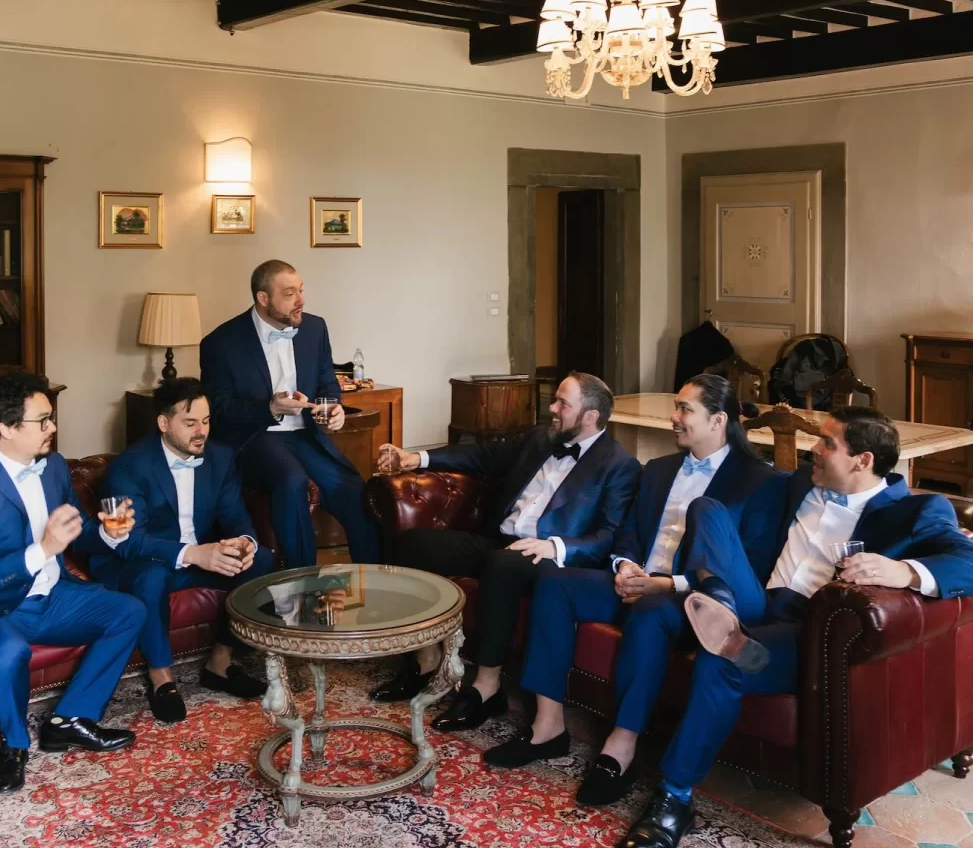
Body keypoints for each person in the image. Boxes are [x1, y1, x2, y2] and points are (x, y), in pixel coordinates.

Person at [615, 406, 973, 848]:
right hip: (752, 601)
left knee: (723, 660)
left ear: (862, 461)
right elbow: (735, 517)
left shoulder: (916, 509)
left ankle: (675, 798)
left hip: (806, 628)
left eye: (827, 443)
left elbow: (967, 561)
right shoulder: (801, 482)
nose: (813, 450)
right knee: (704, 510)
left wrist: (903, 571)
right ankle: (719, 611)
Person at [483, 373, 772, 795]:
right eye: (675, 406)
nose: (673, 417)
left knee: (651, 612)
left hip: (688, 598)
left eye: (685, 409)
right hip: (633, 581)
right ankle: (548, 726)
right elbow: (629, 533)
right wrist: (625, 567)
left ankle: (622, 745)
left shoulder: (758, 480)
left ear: (718, 420)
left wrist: (664, 585)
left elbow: (749, 567)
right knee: (555, 583)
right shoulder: (659, 469)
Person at [374, 372, 640, 732]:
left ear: (590, 416)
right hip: (499, 541)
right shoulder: (541, 438)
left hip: (548, 559)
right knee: (413, 544)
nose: (552, 408)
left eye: (563, 404)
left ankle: (487, 687)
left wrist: (554, 546)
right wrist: (415, 458)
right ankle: (426, 661)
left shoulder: (619, 465)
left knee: (504, 564)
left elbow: (610, 536)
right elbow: (482, 455)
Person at [0, 372, 145, 795]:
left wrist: (110, 533)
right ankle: (14, 746)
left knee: (129, 611)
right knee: (8, 652)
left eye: (51, 417)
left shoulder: (53, 467)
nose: (53, 427)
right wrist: (43, 548)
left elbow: (79, 532)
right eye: (43, 420)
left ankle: (69, 719)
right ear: (7, 428)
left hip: (54, 595)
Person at [88, 378, 275, 723]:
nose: (201, 431)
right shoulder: (128, 466)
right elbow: (127, 541)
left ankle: (220, 663)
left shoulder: (220, 457)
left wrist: (244, 542)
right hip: (140, 561)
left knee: (261, 560)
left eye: (206, 421)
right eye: (190, 423)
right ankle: (162, 679)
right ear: (164, 423)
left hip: (195, 558)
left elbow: (236, 517)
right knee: (152, 576)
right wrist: (194, 553)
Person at [200, 260, 380, 569]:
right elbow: (219, 411)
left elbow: (327, 383)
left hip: (306, 435)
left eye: (301, 290)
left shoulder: (315, 328)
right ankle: (302, 581)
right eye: (289, 293)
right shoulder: (221, 342)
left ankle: (378, 579)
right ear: (263, 298)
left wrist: (332, 408)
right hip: (257, 438)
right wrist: (269, 408)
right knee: (292, 480)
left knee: (353, 490)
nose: (301, 300)